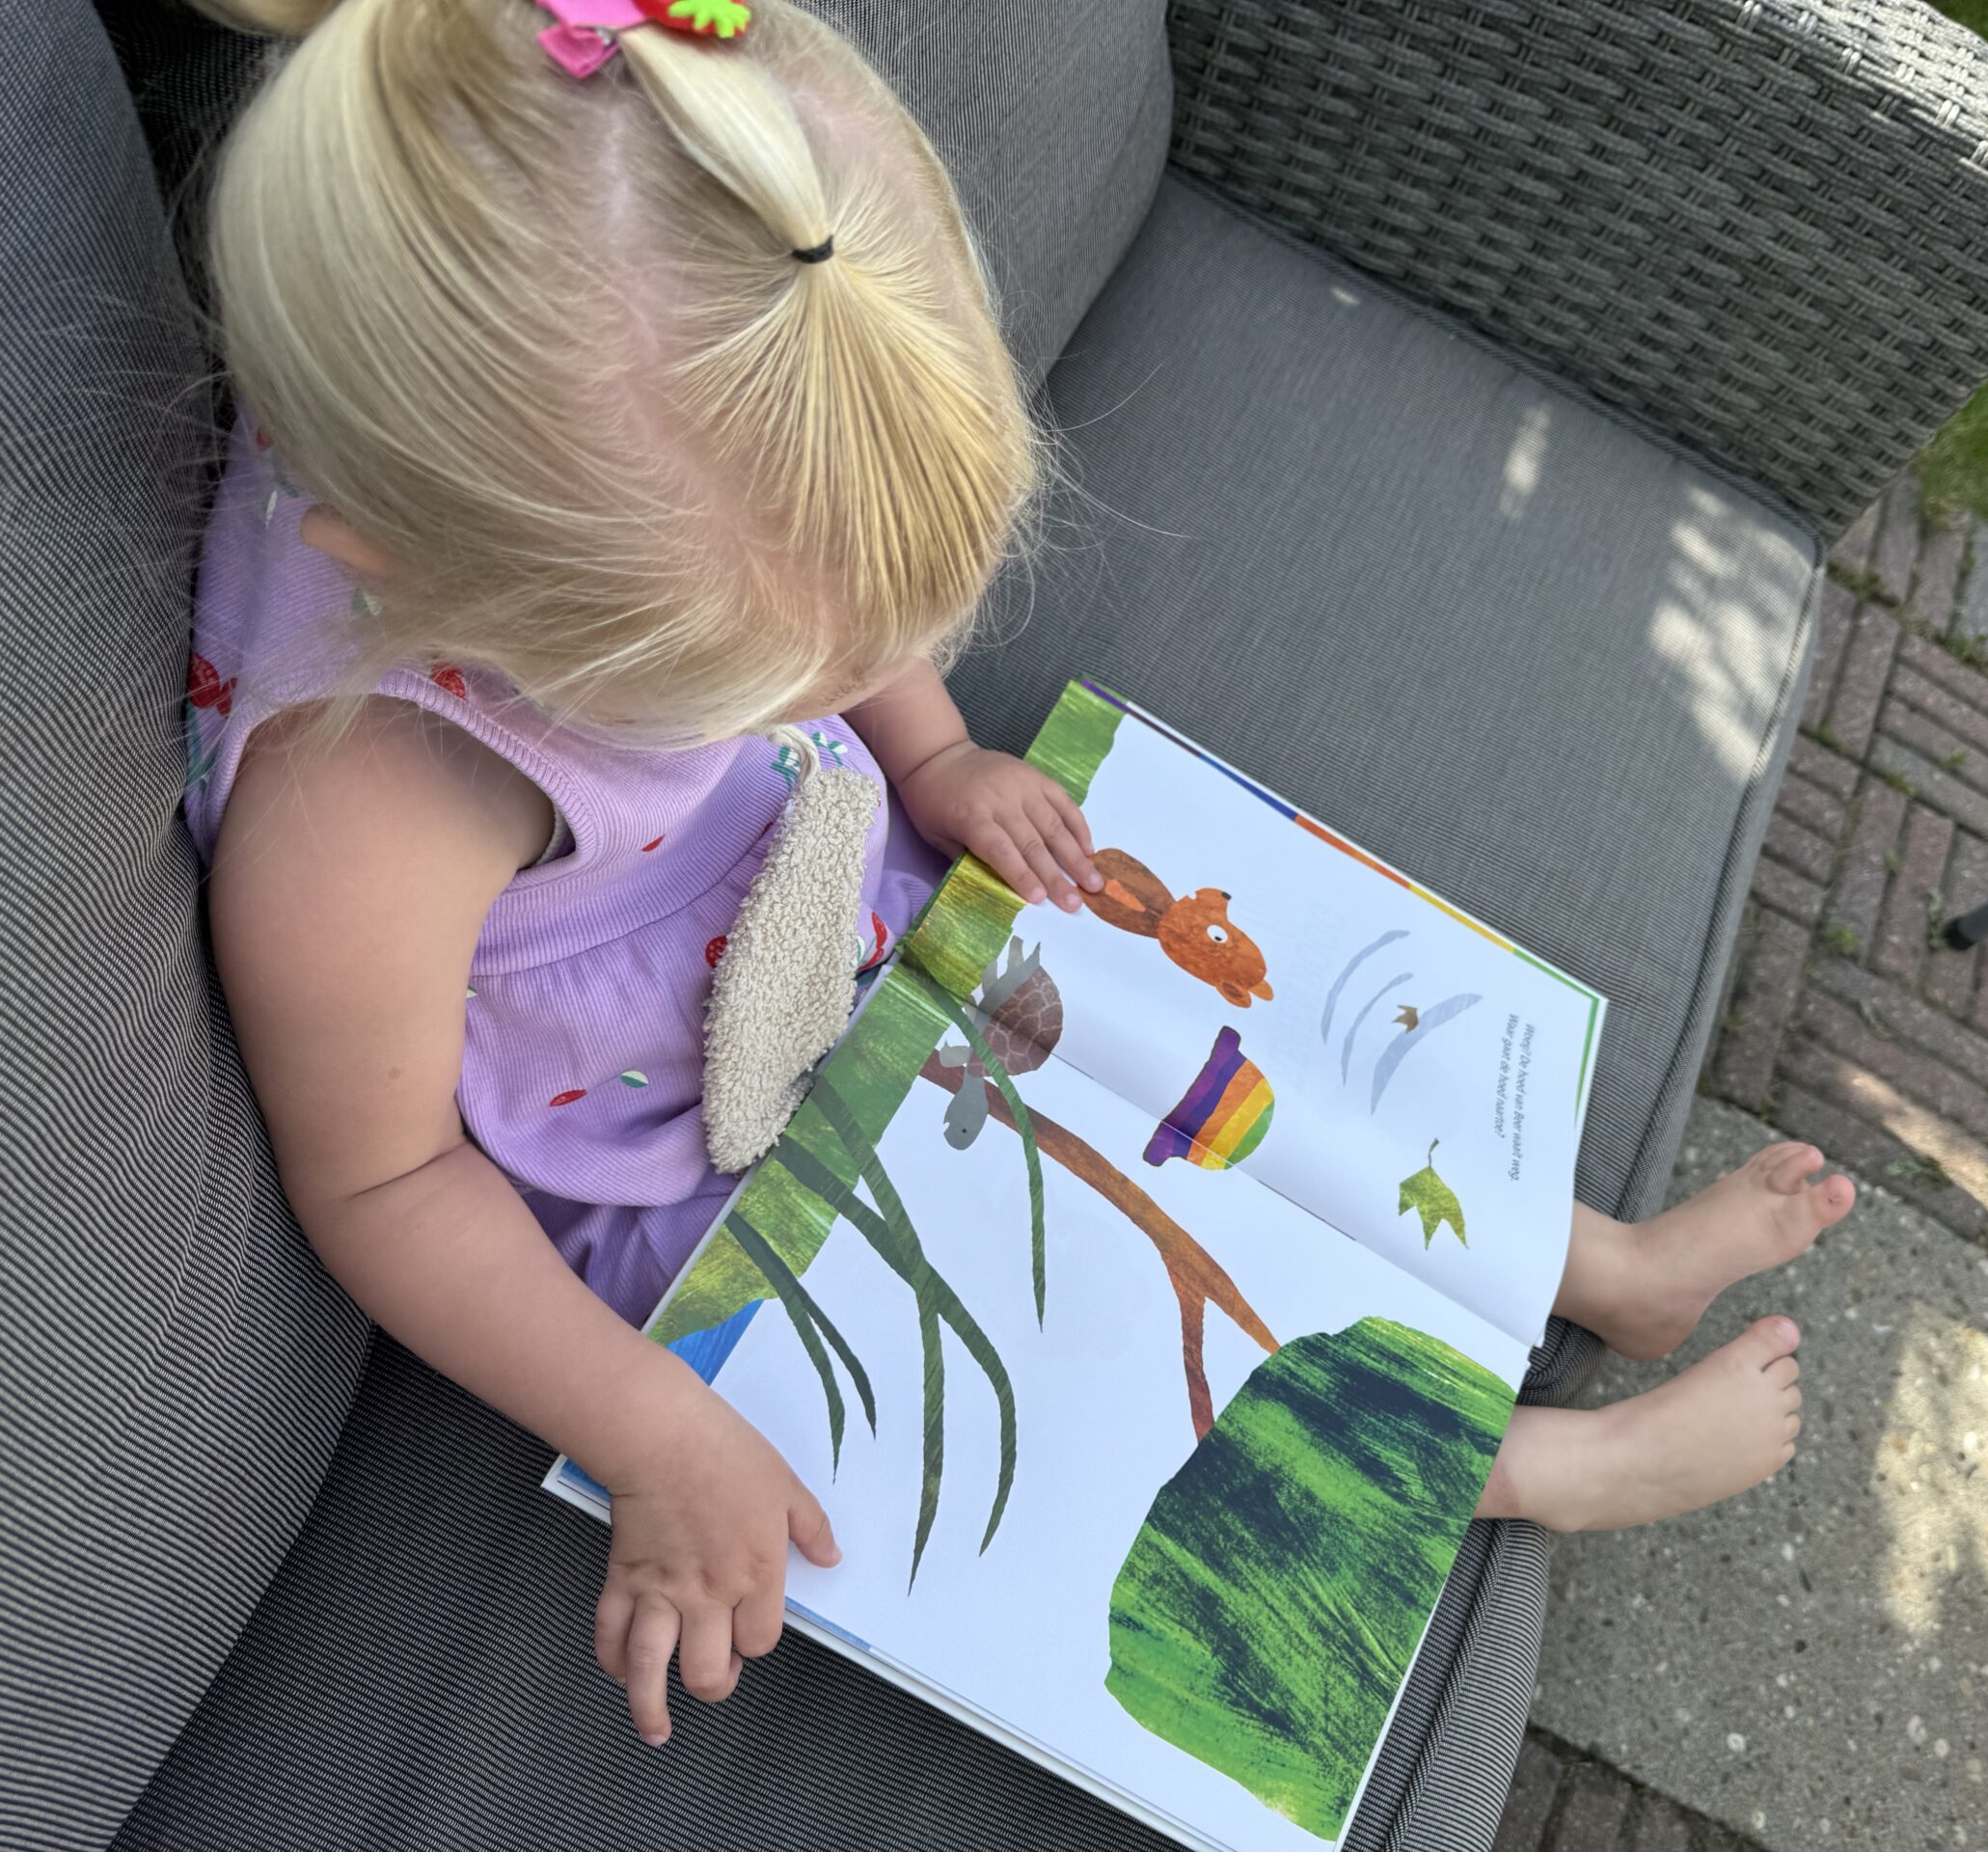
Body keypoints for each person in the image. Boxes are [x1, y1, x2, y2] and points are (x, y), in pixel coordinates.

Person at [187, 0, 1851, 1754]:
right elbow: (384, 1183)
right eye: (779, 667)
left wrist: (926, 753)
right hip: (703, 1163)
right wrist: (653, 1434)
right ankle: (1512, 1470)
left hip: (847, 892)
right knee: (1069, 1317)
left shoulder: (588, 459)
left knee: (1189, 1029)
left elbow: (809, 573)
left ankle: (1588, 1265)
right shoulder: (358, 810)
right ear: (410, 575)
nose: (846, 671)